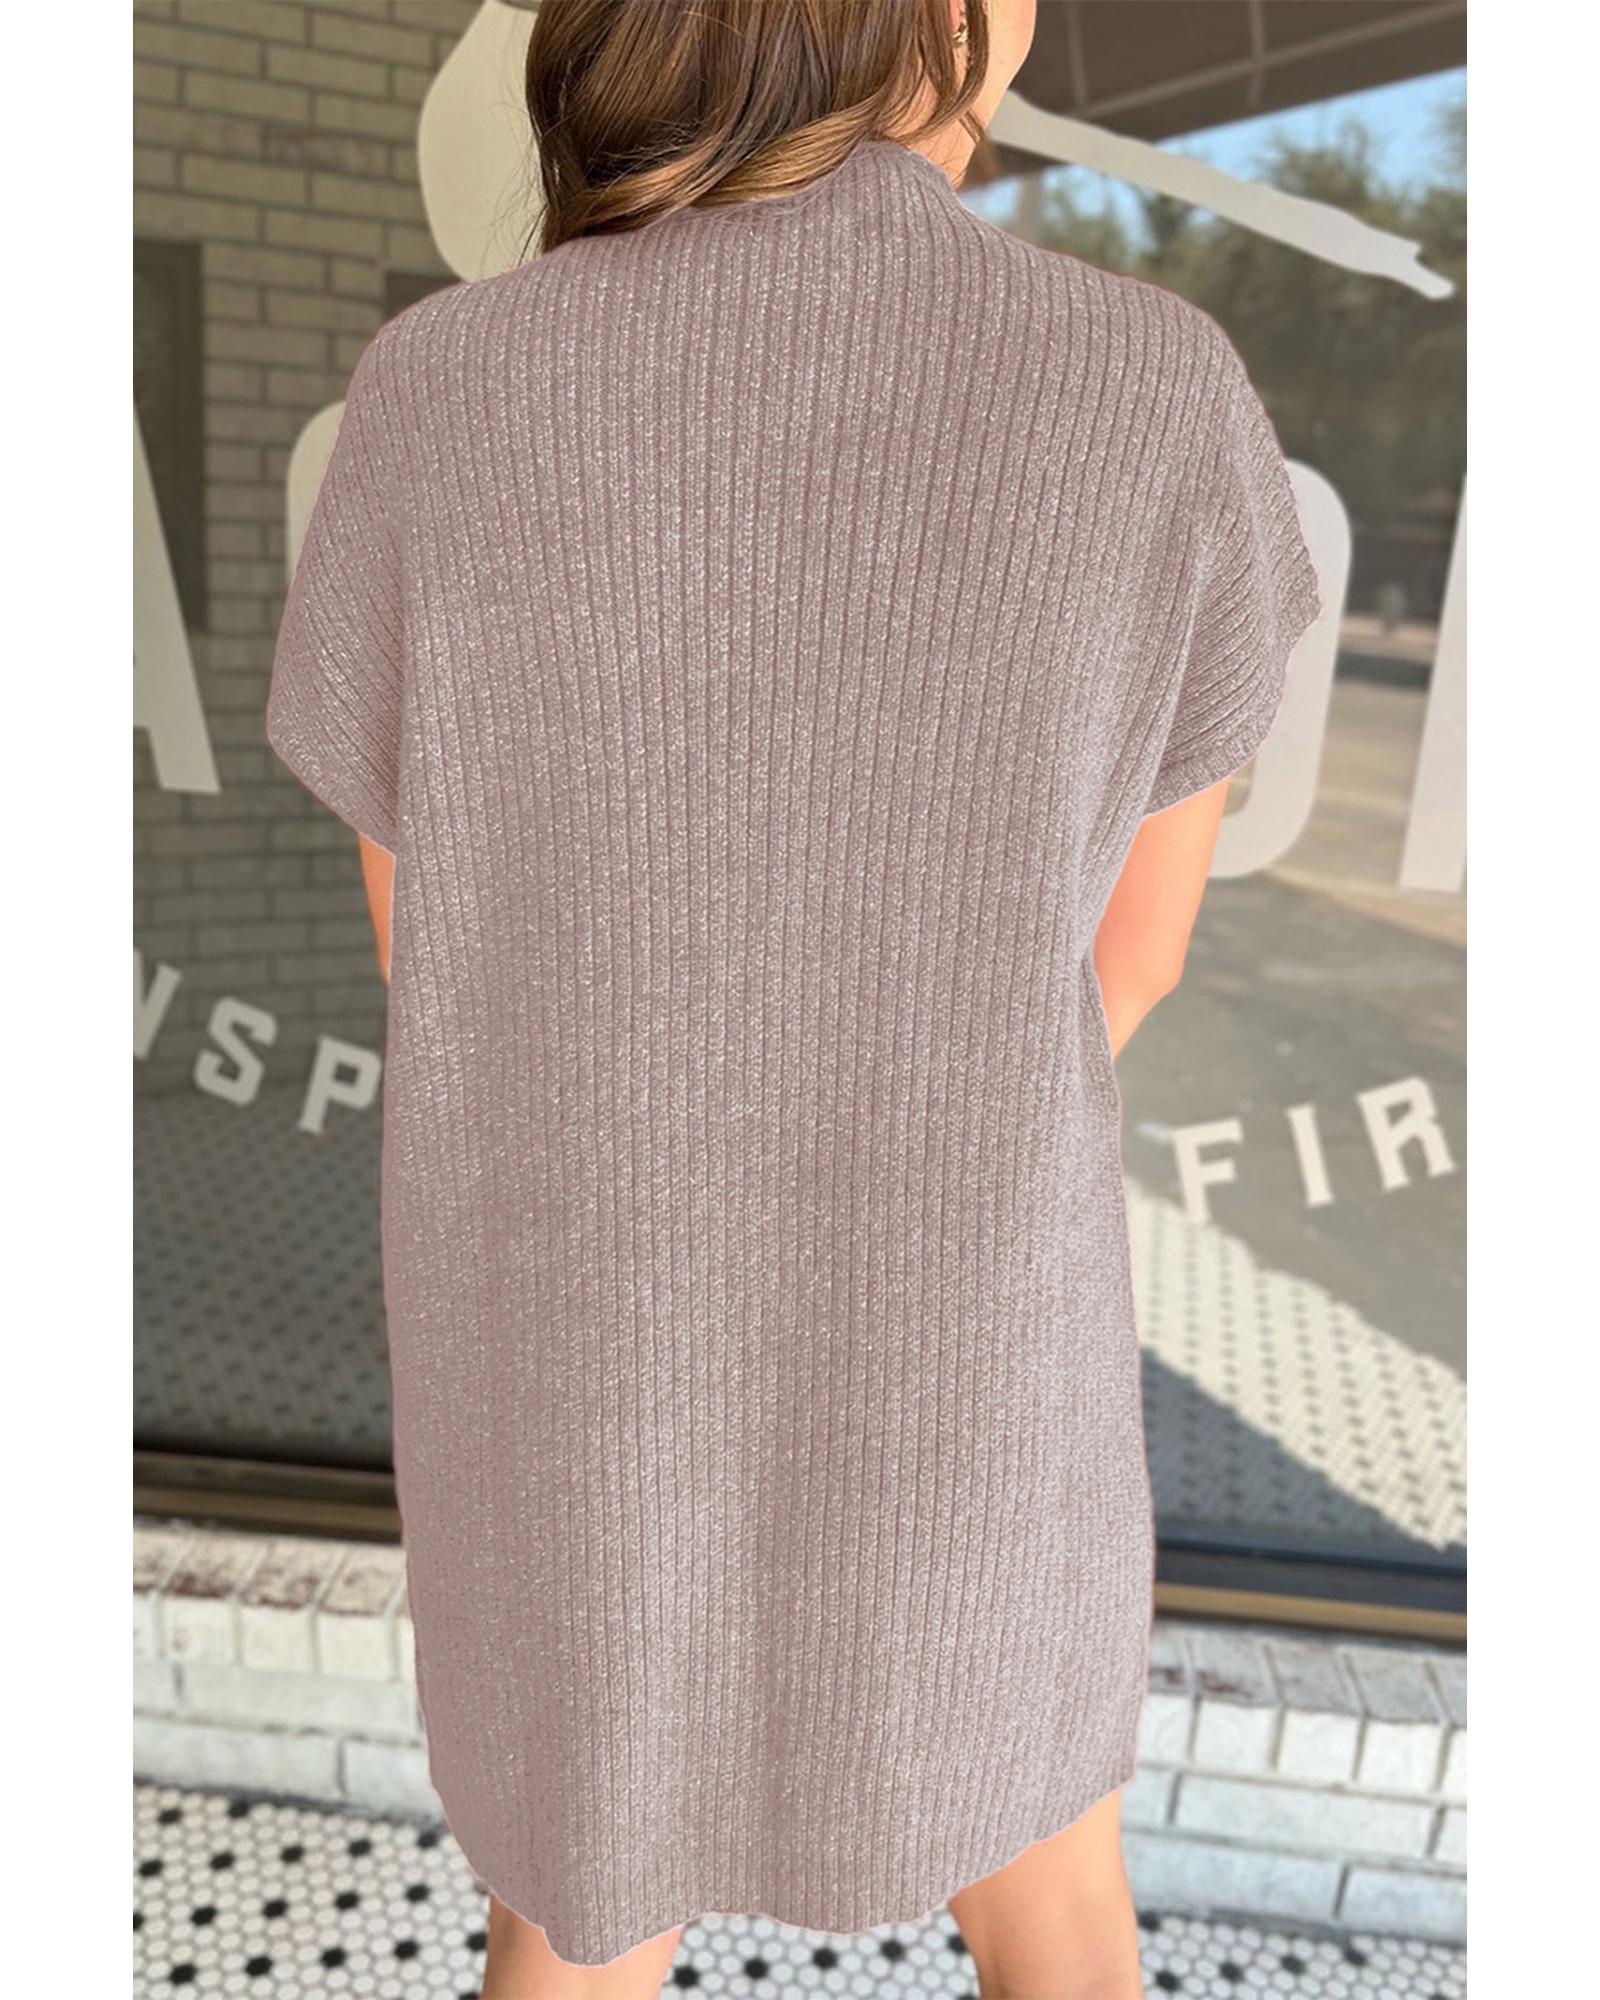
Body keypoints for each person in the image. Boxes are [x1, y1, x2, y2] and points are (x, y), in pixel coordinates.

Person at [265, 2, 1321, 1996]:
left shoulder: (444, 387)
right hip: (967, 1340)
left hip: (577, 1350)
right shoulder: (1144, 381)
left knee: (579, 1900)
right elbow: (1140, 950)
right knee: (1048, 1893)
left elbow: (443, 965)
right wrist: (909, 1110)